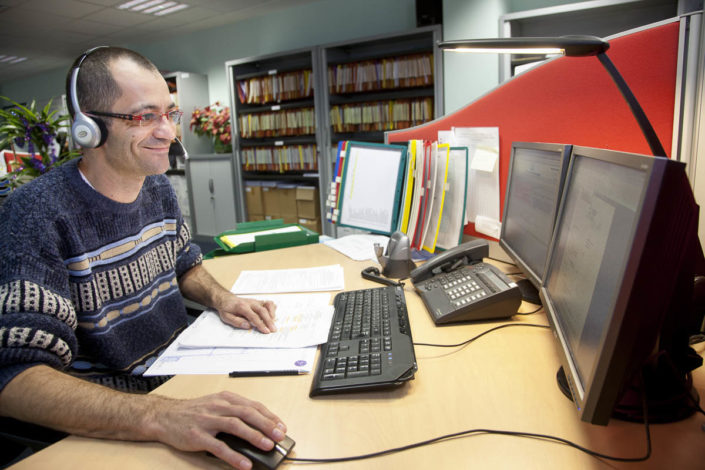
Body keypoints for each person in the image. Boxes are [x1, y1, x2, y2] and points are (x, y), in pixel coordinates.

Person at [0, 46, 286, 470]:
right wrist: (160, 414)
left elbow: (185, 263)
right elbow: (15, 380)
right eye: (144, 116)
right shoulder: (36, 214)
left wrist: (222, 298)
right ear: (88, 129)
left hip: (183, 376)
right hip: (121, 412)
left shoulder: (156, 187)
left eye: (171, 113)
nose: (168, 133)